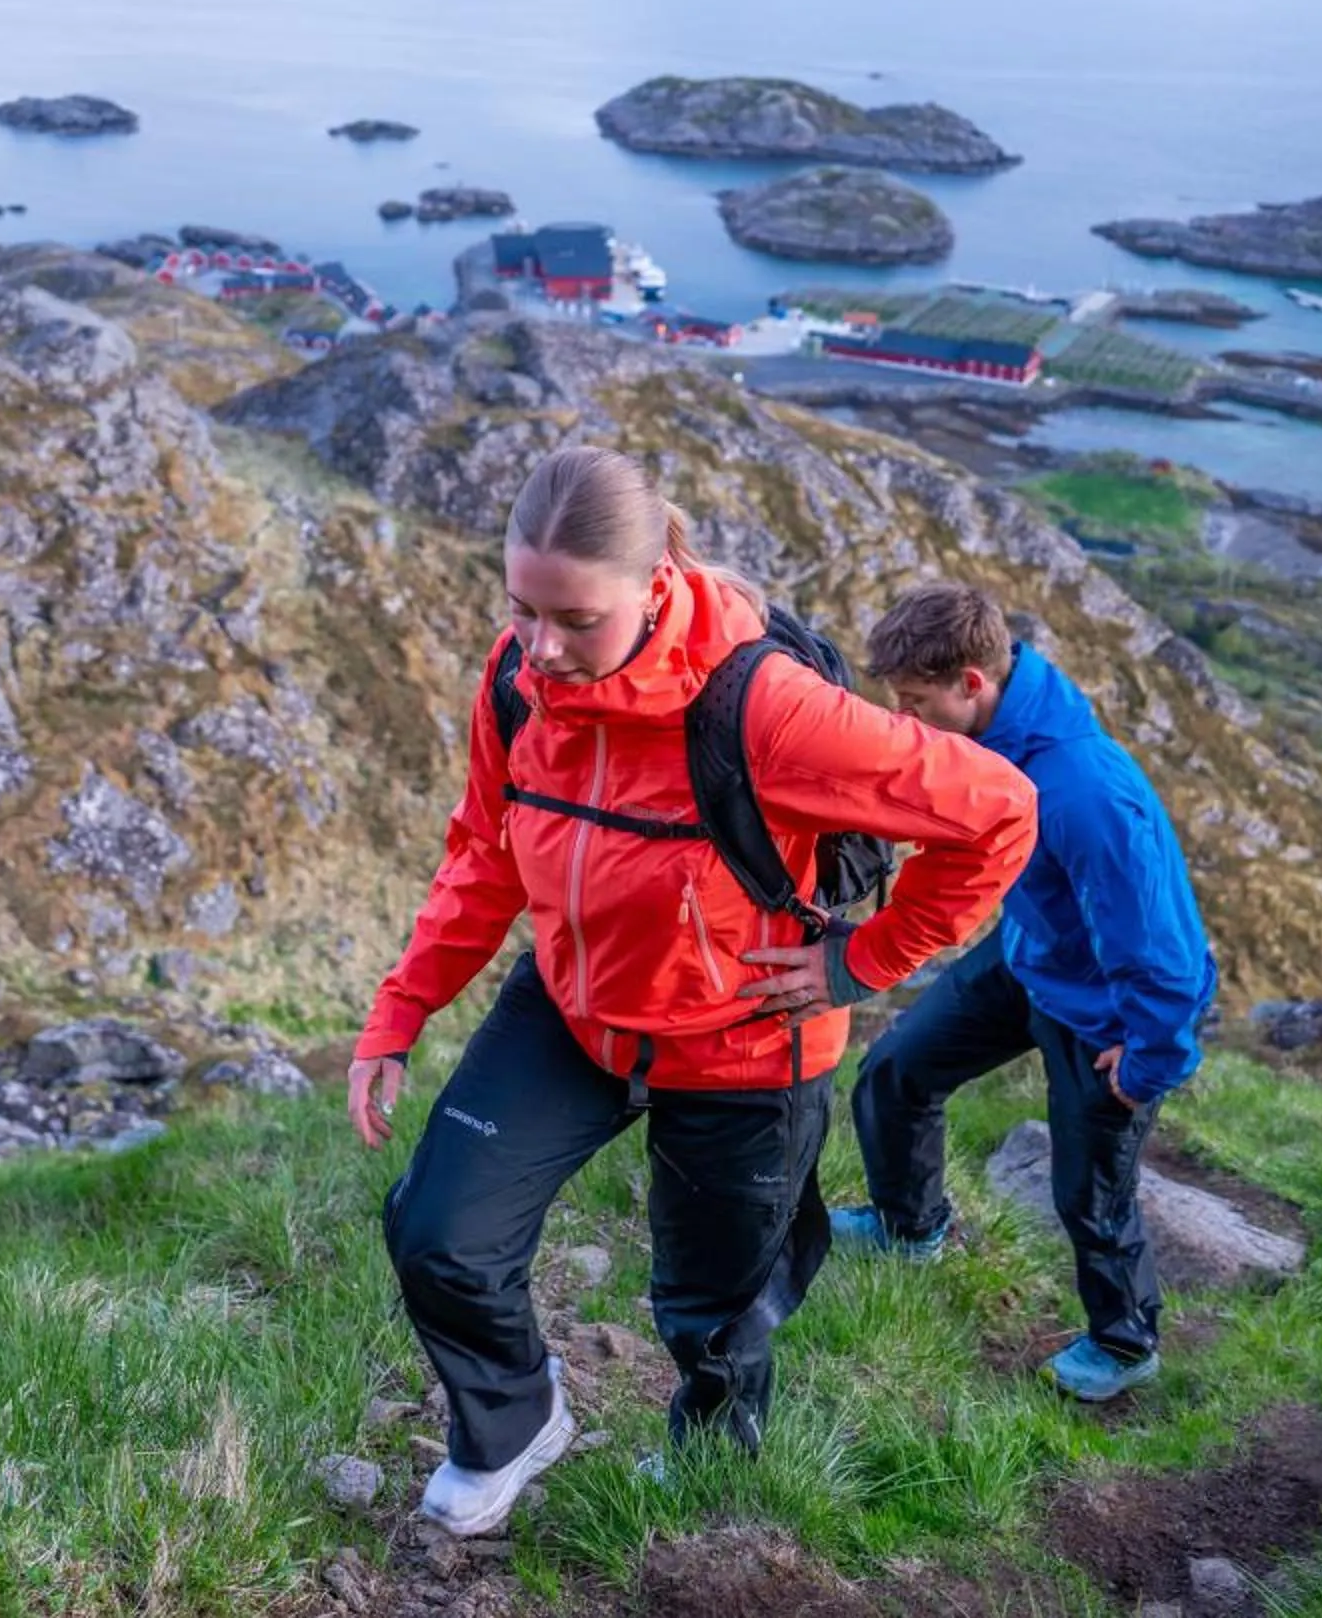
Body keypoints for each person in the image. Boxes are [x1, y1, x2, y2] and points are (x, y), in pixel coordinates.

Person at [349, 447, 1039, 1536]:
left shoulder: (766, 708)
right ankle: (514, 1419)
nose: (541, 646)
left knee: (713, 1311)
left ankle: (712, 1470)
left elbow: (998, 808)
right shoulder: (515, 681)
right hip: (576, 1007)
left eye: (575, 619)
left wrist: (864, 961)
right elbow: (485, 848)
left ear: (658, 572)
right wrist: (399, 1013)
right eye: (522, 608)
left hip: (744, 1037)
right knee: (440, 1232)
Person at [833, 582, 1218, 1404]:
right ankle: (910, 1228)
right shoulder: (994, 738)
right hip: (1030, 958)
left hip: (1104, 1016)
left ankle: (1124, 1343)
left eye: (916, 702)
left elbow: (1168, 955)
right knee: (897, 1070)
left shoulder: (1083, 790)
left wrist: (1150, 1060)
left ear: (974, 684)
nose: (905, 719)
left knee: (1089, 1190)